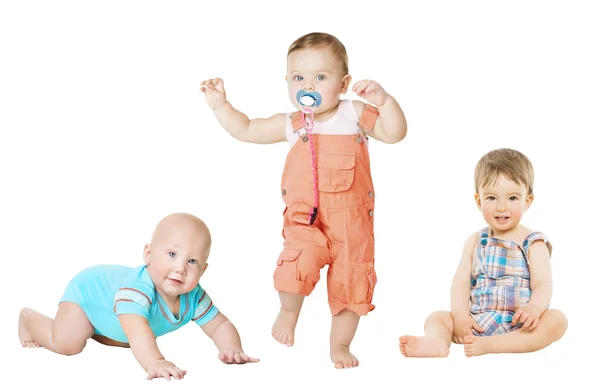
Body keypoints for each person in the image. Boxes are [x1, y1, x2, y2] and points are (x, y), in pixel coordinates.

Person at [200, 32, 407, 368]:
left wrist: (385, 102)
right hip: (305, 220)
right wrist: (221, 105)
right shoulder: (293, 123)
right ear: (287, 81)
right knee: (297, 262)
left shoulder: (353, 114)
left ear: (343, 84)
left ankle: (339, 345)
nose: (307, 85)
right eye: (298, 77)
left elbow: (395, 133)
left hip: (352, 224)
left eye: (320, 77)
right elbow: (247, 129)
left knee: (351, 283)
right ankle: (288, 311)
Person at [18, 212, 258, 380]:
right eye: (172, 254)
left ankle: (97, 331)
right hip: (88, 297)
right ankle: (29, 319)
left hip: (112, 317)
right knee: (68, 344)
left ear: (203, 270)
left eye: (192, 261)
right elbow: (137, 329)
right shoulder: (138, 289)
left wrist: (232, 348)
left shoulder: (193, 296)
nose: (181, 268)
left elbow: (219, 325)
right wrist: (154, 361)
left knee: (127, 340)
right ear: (148, 254)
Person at [399, 148, 568, 357]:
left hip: (520, 324)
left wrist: (534, 309)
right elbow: (461, 282)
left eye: (513, 198)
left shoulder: (533, 242)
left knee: (557, 320)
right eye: (491, 198)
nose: (501, 207)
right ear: (479, 201)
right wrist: (461, 316)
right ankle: (437, 343)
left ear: (527, 201)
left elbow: (543, 284)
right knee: (437, 318)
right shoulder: (475, 240)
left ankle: (494, 345)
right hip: (477, 323)